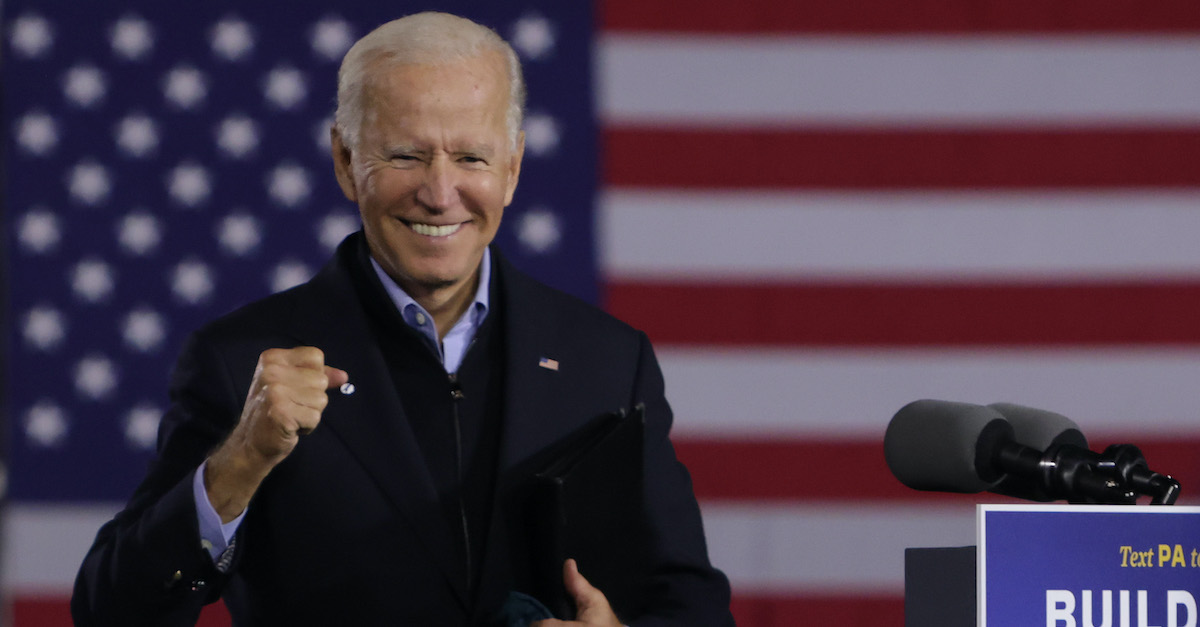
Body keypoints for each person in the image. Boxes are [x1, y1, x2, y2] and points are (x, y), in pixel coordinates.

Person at [71, 11, 733, 626]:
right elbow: (110, 609)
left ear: (512, 167)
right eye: (405, 155)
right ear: (344, 160)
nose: (439, 193)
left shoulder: (609, 360)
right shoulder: (239, 360)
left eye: (470, 157)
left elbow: (692, 602)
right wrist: (240, 461)